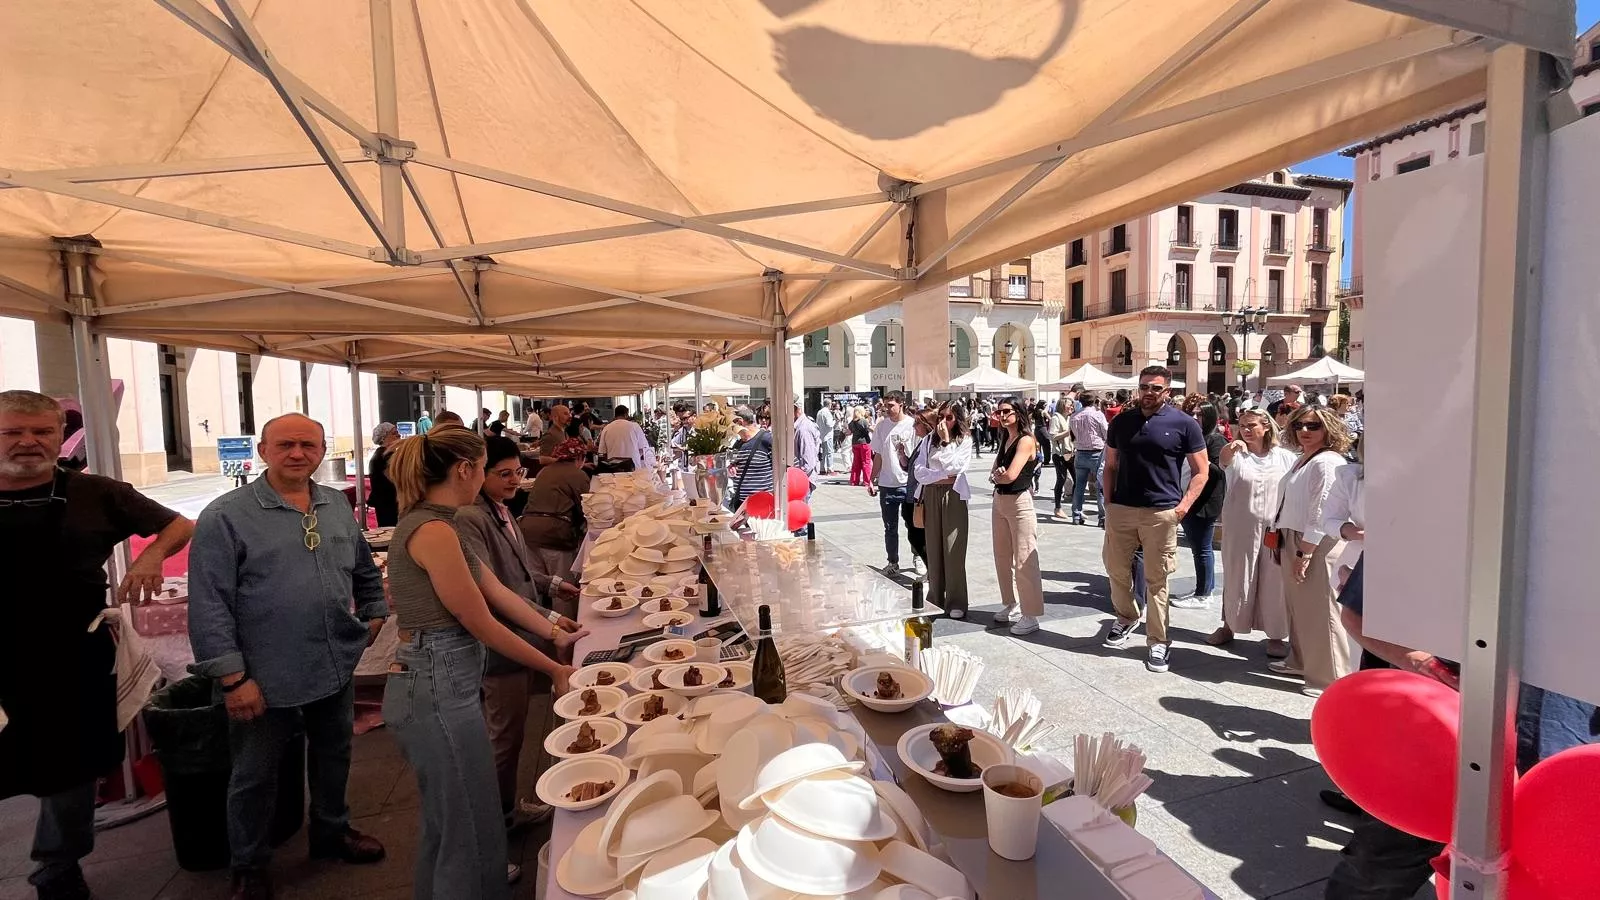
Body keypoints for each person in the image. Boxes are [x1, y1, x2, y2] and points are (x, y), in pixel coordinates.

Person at [0, 391, 193, 900]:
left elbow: (180, 523)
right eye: (12, 431)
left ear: (60, 435)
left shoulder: (97, 492)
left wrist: (150, 560)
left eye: (41, 431)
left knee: (73, 772)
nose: (27, 442)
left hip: (73, 653)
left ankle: (57, 869)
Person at [188, 413, 389, 900]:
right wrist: (233, 679)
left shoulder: (336, 508)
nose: (297, 453)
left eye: (308, 445)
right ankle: (249, 865)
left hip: (333, 660)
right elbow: (209, 603)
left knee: (334, 755)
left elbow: (362, 566)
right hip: (263, 671)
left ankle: (330, 831)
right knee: (255, 774)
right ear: (262, 451)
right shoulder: (226, 516)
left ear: (322, 451)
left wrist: (376, 611)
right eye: (285, 444)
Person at [383, 427, 586, 900]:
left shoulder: (441, 522)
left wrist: (555, 630)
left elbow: (496, 591)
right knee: (464, 823)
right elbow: (480, 620)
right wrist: (553, 668)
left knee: (456, 817)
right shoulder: (433, 530)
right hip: (432, 682)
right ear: (466, 470)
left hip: (442, 678)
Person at [455, 437, 582, 835]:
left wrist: (556, 588)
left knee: (512, 731)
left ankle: (506, 809)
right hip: (501, 645)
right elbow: (492, 590)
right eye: (503, 473)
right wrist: (548, 621)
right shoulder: (468, 519)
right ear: (474, 472)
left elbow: (522, 572)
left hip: (521, 633)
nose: (514, 480)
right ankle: (495, 829)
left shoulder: (500, 510)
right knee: (505, 737)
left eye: (517, 472)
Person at [1100, 366, 1208, 674]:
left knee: (1157, 580)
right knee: (1115, 569)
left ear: (1167, 392)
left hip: (1161, 512)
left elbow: (1202, 471)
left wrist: (1182, 508)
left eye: (1155, 388)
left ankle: (1158, 640)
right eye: (1144, 386)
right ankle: (1126, 616)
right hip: (1121, 509)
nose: (1149, 392)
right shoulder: (1121, 421)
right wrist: (1109, 503)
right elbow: (1110, 465)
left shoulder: (1184, 424)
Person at [1271, 405, 1352, 697]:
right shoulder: (1304, 458)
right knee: (1300, 607)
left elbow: (1322, 510)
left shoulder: (1327, 462)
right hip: (1294, 536)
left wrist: (1305, 552)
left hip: (1314, 542)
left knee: (1322, 610)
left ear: (1328, 428)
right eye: (1300, 425)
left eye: (1313, 426)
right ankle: (1301, 661)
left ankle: (1330, 677)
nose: (1304, 431)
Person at [1206, 409, 1295, 654]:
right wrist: (1230, 447)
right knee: (1237, 575)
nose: (1245, 430)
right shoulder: (1238, 455)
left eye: (1251, 425)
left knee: (1274, 580)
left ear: (1266, 426)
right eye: (1242, 425)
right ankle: (1229, 625)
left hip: (1275, 527)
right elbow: (1223, 461)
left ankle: (1276, 635)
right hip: (1241, 526)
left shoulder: (1284, 457)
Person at [988, 397, 1045, 633]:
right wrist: (997, 475)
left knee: (1024, 558)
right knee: (1002, 556)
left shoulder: (1026, 440)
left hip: (1019, 501)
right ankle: (1011, 603)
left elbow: (1010, 475)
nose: (1001, 416)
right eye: (998, 412)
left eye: (1006, 412)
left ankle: (1030, 614)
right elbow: (995, 471)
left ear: (1018, 412)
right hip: (1000, 500)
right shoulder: (1005, 438)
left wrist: (999, 475)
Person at [518, 438, 592, 612]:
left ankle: (537, 626)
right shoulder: (578, 475)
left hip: (527, 532)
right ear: (580, 457)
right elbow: (588, 508)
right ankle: (564, 631)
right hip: (555, 535)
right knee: (562, 590)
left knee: (535, 589)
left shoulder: (545, 471)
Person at [914, 403, 972, 618]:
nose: (943, 422)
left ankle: (956, 600)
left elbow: (956, 469)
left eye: (949, 418)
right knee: (934, 547)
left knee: (953, 548)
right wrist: (940, 476)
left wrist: (947, 442)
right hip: (931, 494)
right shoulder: (928, 440)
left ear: (957, 419)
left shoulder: (964, 440)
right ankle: (935, 598)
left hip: (953, 495)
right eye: (941, 417)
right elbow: (919, 472)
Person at [1171, 404, 1228, 610]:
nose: (1194, 417)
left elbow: (1219, 471)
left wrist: (1199, 462)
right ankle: (1204, 588)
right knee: (1199, 548)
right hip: (1189, 498)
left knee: (1202, 549)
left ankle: (1203, 594)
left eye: (1200, 414)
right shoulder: (1195, 438)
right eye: (1192, 413)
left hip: (1203, 502)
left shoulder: (1215, 440)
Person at [868, 392, 916, 575]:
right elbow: (878, 455)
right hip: (887, 484)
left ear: (901, 404)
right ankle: (892, 561)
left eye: (891, 405)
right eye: (885, 406)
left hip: (907, 483)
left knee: (913, 525)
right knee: (890, 527)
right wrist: (872, 479)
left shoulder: (912, 425)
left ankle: (917, 555)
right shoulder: (881, 427)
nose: (887, 409)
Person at [1069, 393, 1108, 526]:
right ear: (1095, 401)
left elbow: (1073, 435)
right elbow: (1106, 433)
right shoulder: (1098, 415)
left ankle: (1076, 514)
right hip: (1097, 452)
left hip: (1080, 452)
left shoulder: (1074, 416)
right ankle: (1102, 518)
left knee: (1079, 486)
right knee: (1100, 485)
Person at [727, 406, 775, 511]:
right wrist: (732, 467)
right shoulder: (738, 443)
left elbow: (787, 465)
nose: (729, 429)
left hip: (763, 506)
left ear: (740, 422)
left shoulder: (767, 439)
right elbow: (736, 464)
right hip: (742, 506)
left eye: (730, 425)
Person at [595, 405, 656, 474]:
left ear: (615, 415)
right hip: (634, 468)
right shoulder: (635, 426)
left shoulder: (607, 428)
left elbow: (602, 452)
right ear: (626, 414)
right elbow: (643, 448)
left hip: (614, 469)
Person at [368, 422, 402, 527]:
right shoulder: (384, 456)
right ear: (384, 438)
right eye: (394, 433)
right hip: (389, 505)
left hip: (388, 503)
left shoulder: (383, 455)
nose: (399, 435)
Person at [1047, 400, 1074, 517]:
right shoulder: (1056, 418)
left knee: (1077, 479)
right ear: (1063, 406)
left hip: (1070, 452)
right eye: (1069, 405)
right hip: (1059, 454)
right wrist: (1068, 433)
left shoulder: (1069, 418)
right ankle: (1057, 508)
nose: (1071, 407)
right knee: (1061, 479)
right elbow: (1052, 436)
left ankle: (1077, 507)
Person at [847, 406, 873, 486]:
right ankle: (867, 481)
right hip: (864, 443)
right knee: (866, 462)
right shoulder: (863, 421)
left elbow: (849, 432)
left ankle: (854, 481)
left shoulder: (851, 422)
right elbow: (870, 429)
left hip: (855, 443)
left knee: (856, 463)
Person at [813, 401, 836, 474]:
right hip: (828, 435)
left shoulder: (819, 412)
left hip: (821, 434)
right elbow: (829, 424)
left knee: (823, 453)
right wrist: (834, 421)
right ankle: (830, 469)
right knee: (829, 452)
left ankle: (822, 468)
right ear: (829, 404)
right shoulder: (827, 413)